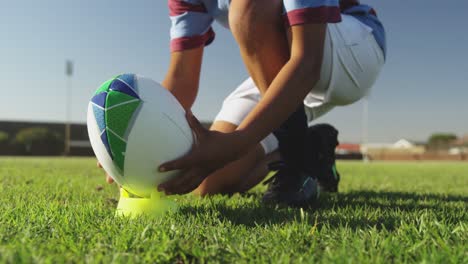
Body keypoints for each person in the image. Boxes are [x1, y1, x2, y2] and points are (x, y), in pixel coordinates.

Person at [102, 0, 386, 206]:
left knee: (248, 8)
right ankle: (314, 147)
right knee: (207, 182)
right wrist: (135, 138)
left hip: (350, 46)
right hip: (289, 66)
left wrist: (238, 141)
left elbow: (307, 60)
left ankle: (298, 163)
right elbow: (182, 79)